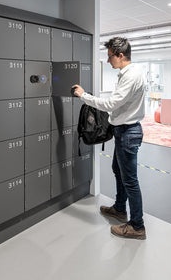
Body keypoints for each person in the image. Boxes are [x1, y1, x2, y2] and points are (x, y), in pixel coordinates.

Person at [73, 37, 146, 240]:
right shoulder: (130, 73)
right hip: (124, 130)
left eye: (110, 56)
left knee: (130, 180)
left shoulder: (131, 76)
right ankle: (120, 209)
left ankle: (137, 226)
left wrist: (83, 96)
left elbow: (112, 104)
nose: (108, 61)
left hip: (128, 131)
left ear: (120, 55)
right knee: (118, 171)